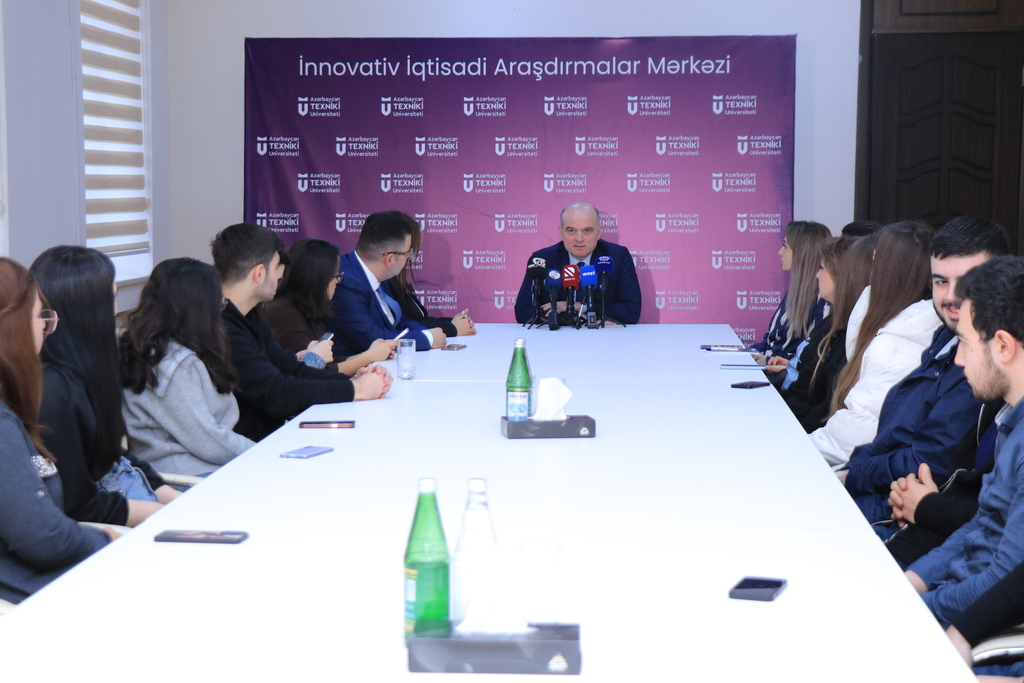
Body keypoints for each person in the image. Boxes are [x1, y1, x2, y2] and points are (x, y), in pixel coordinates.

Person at [837, 216, 1010, 524]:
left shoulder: (988, 365)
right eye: (941, 281)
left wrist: (850, 476)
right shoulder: (945, 337)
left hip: (896, 514)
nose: (952, 296)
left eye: (968, 281)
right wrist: (853, 470)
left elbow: (927, 463)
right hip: (882, 496)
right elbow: (893, 433)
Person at [905, 256, 1024, 632]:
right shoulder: (1010, 419)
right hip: (955, 599)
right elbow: (982, 523)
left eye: (965, 343)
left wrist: (916, 608)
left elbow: (1005, 581)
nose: (958, 360)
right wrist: (912, 581)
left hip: (976, 629)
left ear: (1002, 346)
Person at [32, 246, 179, 527]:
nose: (115, 310)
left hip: (126, 495)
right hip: (106, 524)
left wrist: (177, 499)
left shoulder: (83, 371)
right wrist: (169, 515)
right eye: (111, 299)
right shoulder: (54, 390)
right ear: (87, 310)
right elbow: (78, 504)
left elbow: (113, 454)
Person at [0, 257, 115, 604]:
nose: (46, 328)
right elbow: (45, 538)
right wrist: (108, 541)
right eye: (40, 316)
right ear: (12, 327)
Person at [213, 223, 391, 442]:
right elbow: (277, 394)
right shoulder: (221, 327)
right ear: (259, 273)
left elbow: (292, 369)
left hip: (273, 435)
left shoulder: (248, 315)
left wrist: (352, 381)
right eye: (277, 267)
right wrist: (358, 389)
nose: (281, 275)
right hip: (252, 449)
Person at [809, 221, 939, 467]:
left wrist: (799, 447)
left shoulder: (897, 344)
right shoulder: (885, 324)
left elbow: (856, 433)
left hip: (858, 468)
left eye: (876, 261)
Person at [120, 258, 255, 476]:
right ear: (199, 308)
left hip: (182, 469)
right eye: (219, 302)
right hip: (190, 476)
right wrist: (263, 452)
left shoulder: (147, 349)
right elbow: (208, 441)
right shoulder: (175, 365)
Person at [781, 234, 874, 432]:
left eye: (822, 268)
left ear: (844, 277)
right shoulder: (831, 322)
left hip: (802, 430)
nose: (817, 275)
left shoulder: (848, 336)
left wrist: (783, 425)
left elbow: (825, 411)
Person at [264, 238, 398, 373]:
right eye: (336, 275)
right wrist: (369, 357)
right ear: (318, 279)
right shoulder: (281, 313)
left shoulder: (308, 307)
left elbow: (328, 363)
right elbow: (314, 372)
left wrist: (371, 354)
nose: (338, 281)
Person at [326, 211, 448, 356]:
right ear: (390, 259)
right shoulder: (345, 283)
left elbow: (397, 321)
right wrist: (428, 338)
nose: (409, 258)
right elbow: (371, 339)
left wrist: (426, 332)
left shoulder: (377, 273)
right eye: (408, 253)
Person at [513, 201, 641, 325]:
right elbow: (523, 312)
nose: (579, 239)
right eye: (571, 231)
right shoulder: (542, 259)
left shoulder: (617, 256)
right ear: (561, 232)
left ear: (598, 232)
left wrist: (582, 307)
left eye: (587, 230)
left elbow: (631, 311)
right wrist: (576, 318)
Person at [753, 220, 831, 368]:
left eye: (785, 247)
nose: (780, 252)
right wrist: (751, 354)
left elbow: (813, 356)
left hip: (786, 377)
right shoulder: (795, 291)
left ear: (803, 252)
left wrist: (770, 359)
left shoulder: (823, 300)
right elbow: (771, 340)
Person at [388, 223, 476, 338]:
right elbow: (402, 325)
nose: (412, 254)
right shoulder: (385, 282)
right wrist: (451, 327)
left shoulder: (399, 278)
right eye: (410, 248)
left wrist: (455, 322)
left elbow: (420, 319)